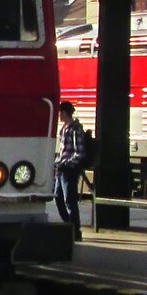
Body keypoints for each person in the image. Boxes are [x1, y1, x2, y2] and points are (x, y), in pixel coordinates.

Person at [54, 101, 86, 241]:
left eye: (60, 112)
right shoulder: (64, 128)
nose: (58, 115)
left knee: (69, 200)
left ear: (65, 113)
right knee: (58, 197)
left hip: (69, 170)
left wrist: (66, 163)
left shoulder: (74, 130)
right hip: (61, 168)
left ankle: (75, 230)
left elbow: (79, 153)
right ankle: (69, 225)